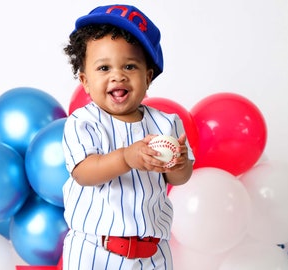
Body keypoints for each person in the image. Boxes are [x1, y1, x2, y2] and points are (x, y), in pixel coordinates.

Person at [62, 4, 194, 269]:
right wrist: (126, 157)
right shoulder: (83, 122)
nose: (117, 76)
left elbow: (179, 178)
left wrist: (180, 164)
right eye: (103, 69)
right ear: (85, 81)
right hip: (94, 250)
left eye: (130, 66)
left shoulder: (166, 123)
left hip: (152, 253)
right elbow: (83, 173)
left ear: (148, 77)